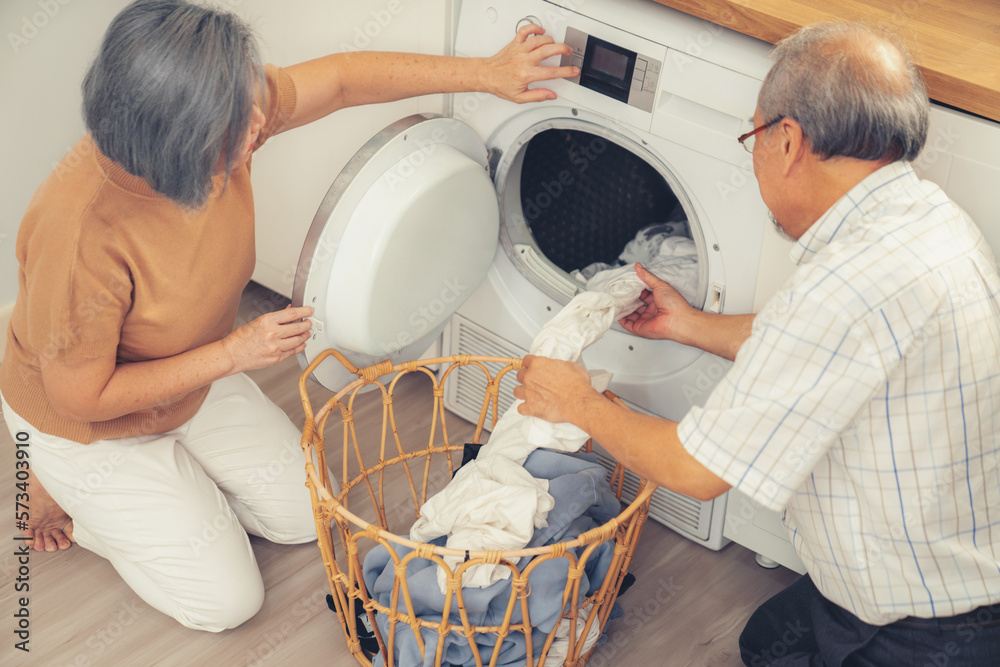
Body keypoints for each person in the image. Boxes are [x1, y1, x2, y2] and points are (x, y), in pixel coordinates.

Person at [0, 0, 577, 632]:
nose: (259, 123)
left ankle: (161, 490)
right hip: (85, 415)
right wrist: (233, 355)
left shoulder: (214, 116)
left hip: (184, 376)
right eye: (237, 122)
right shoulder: (82, 236)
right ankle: (68, 487)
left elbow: (341, 80)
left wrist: (485, 73)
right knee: (225, 604)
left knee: (306, 518)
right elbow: (82, 395)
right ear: (176, 143)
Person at [515, 21, 1000, 666]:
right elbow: (814, 348)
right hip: (960, 566)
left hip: (927, 626)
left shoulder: (843, 287)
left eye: (753, 136)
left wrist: (578, 402)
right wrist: (686, 323)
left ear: (789, 139)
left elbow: (697, 471)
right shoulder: (928, 219)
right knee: (767, 643)